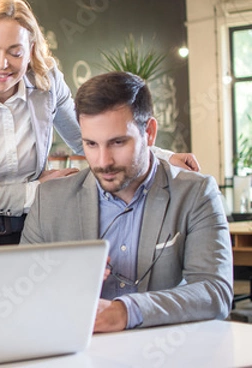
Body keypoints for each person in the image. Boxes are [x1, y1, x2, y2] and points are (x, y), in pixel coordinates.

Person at [0, 0, 200, 287]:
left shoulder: (46, 83)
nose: (2, 64)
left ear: (31, 49)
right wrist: (35, 192)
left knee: (35, 328)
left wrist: (161, 155)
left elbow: (85, 136)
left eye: (15, 52)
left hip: (32, 233)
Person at [21, 71, 233, 332]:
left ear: (150, 133)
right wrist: (65, 284)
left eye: (118, 142)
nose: (103, 161)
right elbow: (21, 294)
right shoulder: (50, 200)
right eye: (91, 144)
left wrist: (126, 312)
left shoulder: (196, 193)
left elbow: (215, 292)